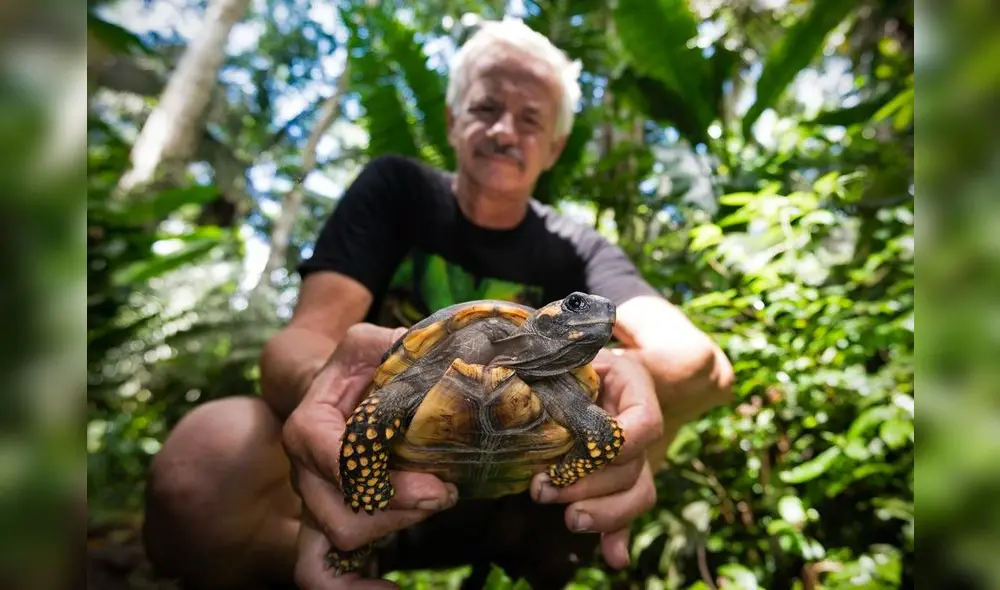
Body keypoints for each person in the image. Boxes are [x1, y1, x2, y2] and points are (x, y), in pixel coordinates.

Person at [141, 17, 734, 590]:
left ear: (555, 147)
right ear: (452, 120)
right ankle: (352, 551)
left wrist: (615, 386)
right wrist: (338, 406)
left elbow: (701, 364)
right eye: (485, 108)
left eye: (531, 119)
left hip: (523, 490)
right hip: (383, 472)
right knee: (202, 465)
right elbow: (302, 341)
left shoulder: (577, 248)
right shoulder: (398, 191)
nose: (505, 130)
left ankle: (542, 539)